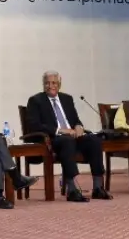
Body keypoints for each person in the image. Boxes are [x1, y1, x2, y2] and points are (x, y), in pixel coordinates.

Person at [25, 70, 112, 202]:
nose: (50, 86)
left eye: (54, 82)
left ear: (59, 84)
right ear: (43, 85)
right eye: (47, 83)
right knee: (67, 141)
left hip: (72, 137)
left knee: (94, 140)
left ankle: (98, 188)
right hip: (53, 139)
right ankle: (71, 190)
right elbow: (34, 125)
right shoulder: (35, 100)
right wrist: (61, 130)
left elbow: (75, 120)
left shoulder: (67, 99)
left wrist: (78, 126)